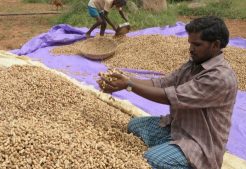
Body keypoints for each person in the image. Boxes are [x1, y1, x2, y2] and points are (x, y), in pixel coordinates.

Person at [97, 16, 237, 169]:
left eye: (197, 44)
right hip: (178, 126)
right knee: (134, 125)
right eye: (190, 43)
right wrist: (126, 79)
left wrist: (129, 85)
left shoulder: (220, 78)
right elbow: (162, 83)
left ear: (215, 45)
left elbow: (171, 96)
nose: (191, 49)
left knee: (151, 159)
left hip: (199, 142)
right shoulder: (194, 63)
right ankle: (171, 150)